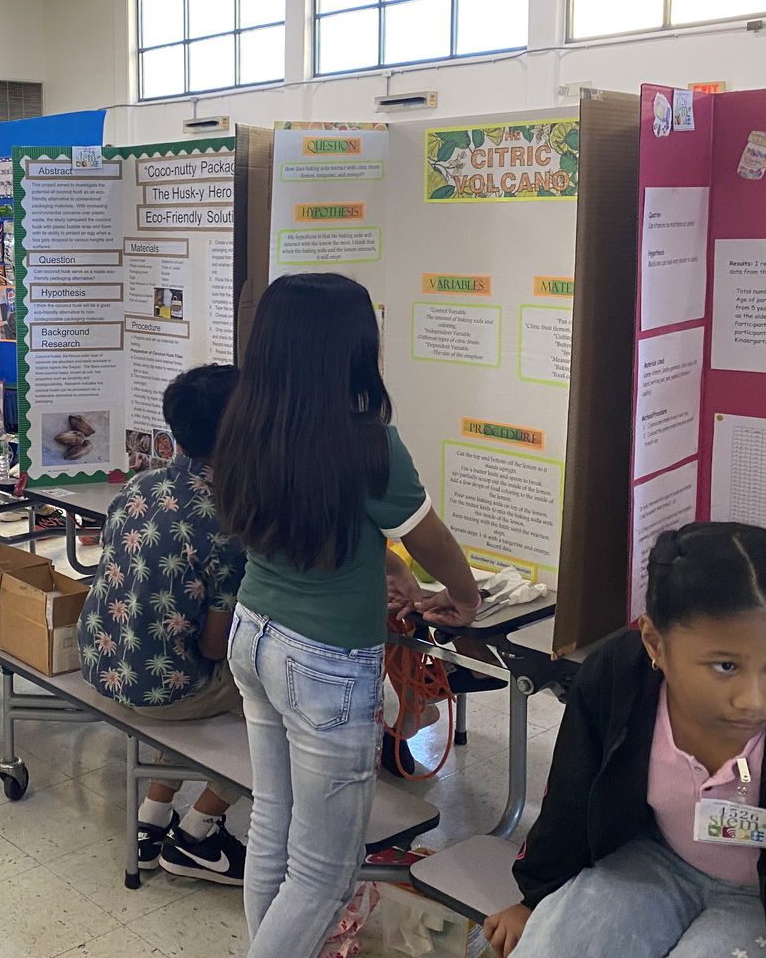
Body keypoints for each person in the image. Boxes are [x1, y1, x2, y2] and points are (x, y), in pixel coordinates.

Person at [210, 272, 482, 958]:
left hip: (255, 632)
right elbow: (429, 538)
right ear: (353, 349)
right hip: (324, 662)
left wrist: (385, 568)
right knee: (325, 874)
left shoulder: (246, 421)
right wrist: (465, 592)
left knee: (273, 820)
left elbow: (316, 527)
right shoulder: (368, 443)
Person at [485, 522, 766, 958]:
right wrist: (534, 897)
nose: (753, 700)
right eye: (726, 667)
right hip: (655, 860)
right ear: (655, 643)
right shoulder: (616, 675)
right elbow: (571, 796)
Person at [78, 363, 248, 885]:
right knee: (288, 698)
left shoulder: (139, 486)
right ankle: (200, 831)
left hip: (104, 668)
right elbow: (217, 650)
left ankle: (153, 817)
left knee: (176, 657)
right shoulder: (229, 518)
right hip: (166, 692)